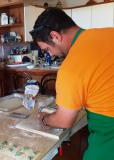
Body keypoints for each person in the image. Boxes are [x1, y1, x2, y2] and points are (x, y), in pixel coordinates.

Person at [30, 7, 114, 160]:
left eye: (47, 49)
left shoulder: (71, 67)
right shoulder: (110, 32)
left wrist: (44, 118)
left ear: (55, 36)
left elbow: (64, 121)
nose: (51, 55)